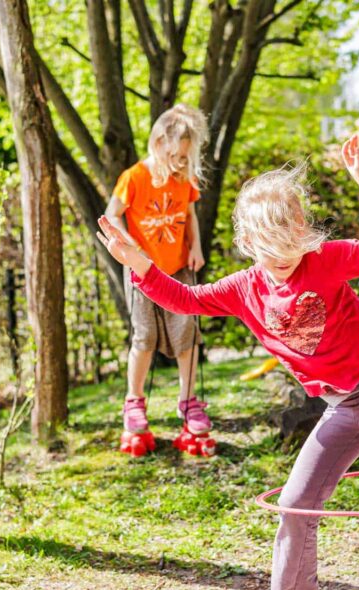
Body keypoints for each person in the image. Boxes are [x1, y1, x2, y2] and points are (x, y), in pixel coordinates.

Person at [97, 135, 359, 590]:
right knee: (296, 502)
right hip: (341, 405)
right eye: (268, 249)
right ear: (249, 243)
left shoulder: (325, 261)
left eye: (289, 245)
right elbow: (185, 300)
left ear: (302, 232)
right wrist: (141, 264)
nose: (281, 260)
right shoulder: (243, 288)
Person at [104, 104, 214, 456]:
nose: (180, 162)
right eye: (175, 155)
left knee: (187, 335)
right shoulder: (134, 177)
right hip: (141, 269)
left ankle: (188, 401)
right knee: (145, 336)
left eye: (185, 157)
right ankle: (134, 402)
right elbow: (111, 215)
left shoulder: (184, 178)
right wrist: (130, 247)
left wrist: (195, 245)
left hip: (179, 267)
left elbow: (191, 213)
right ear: (157, 143)